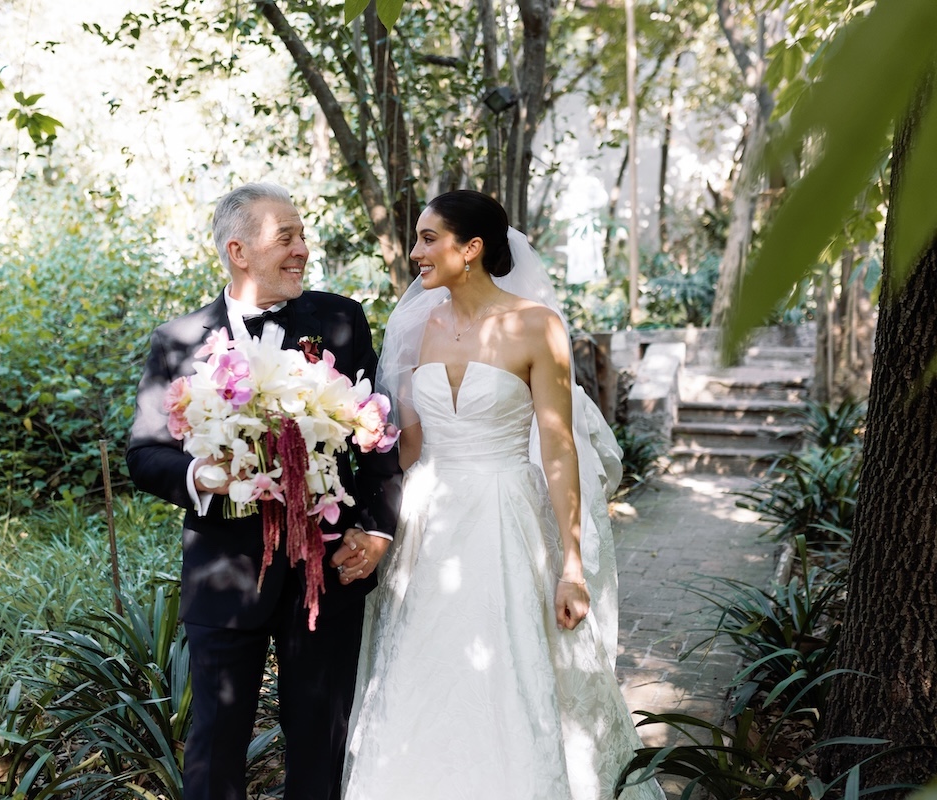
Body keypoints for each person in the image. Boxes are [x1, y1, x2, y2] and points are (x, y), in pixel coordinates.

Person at [342, 190, 665, 800]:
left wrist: (572, 567)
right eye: (417, 239)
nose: (417, 253)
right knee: (425, 668)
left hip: (504, 517)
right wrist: (347, 489)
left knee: (511, 664)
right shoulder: (419, 325)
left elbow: (560, 450)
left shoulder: (537, 326)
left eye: (429, 238)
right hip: (429, 523)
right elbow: (407, 446)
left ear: (473, 248)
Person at [126, 183, 402, 800]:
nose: (303, 249)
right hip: (225, 570)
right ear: (239, 251)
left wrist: (378, 529)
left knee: (319, 751)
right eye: (288, 238)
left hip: (328, 568)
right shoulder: (178, 340)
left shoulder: (339, 320)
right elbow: (143, 455)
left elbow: (378, 436)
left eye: (303, 236)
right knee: (214, 752)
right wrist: (202, 476)